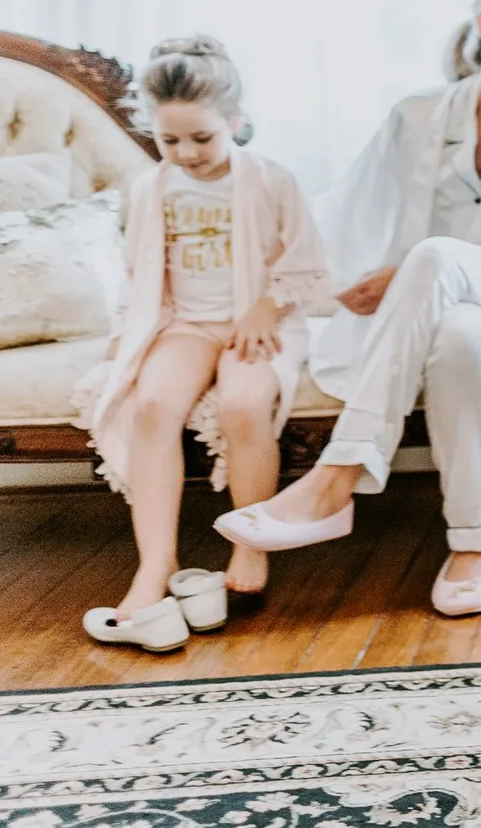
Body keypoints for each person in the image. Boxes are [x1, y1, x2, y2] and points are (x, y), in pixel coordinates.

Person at [216, 0, 481, 617]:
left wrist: (409, 273)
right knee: (460, 336)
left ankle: (336, 479)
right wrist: (311, 285)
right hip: (442, 319)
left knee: (433, 261)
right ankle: (473, 546)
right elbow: (348, 212)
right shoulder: (416, 115)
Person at [77, 37, 327, 651]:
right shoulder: (151, 190)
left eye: (203, 138)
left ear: (235, 123)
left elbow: (308, 262)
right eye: (171, 141)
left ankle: (249, 540)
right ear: (154, 134)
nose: (187, 153)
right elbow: (139, 278)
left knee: (244, 406)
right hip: (186, 323)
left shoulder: (272, 180)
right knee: (152, 407)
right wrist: (122, 339)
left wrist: (266, 305)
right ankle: (154, 563)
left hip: (256, 321)